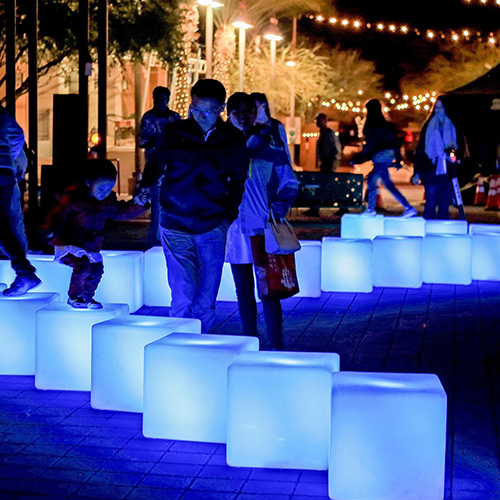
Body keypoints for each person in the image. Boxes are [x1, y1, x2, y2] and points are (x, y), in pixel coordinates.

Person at [139, 79, 249, 331]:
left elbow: (238, 180)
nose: (199, 115)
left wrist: (227, 216)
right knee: (182, 291)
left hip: (213, 223)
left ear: (221, 108)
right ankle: (178, 344)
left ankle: (201, 343)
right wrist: (145, 186)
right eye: (194, 109)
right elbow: (155, 164)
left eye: (206, 111)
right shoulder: (175, 132)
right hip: (175, 221)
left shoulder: (232, 139)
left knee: (206, 296)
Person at [225, 92, 298, 350]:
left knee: (270, 291)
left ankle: (277, 345)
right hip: (233, 229)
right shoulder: (221, 144)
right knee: (243, 292)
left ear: (256, 113)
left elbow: (289, 180)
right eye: (237, 112)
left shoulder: (271, 145)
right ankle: (249, 343)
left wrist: (281, 204)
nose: (244, 117)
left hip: (262, 226)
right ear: (228, 113)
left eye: (249, 111)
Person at [41, 159, 148, 309]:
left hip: (91, 246)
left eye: (109, 189)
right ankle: (74, 296)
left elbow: (120, 212)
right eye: (101, 189)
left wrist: (139, 205)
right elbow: (56, 218)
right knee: (83, 265)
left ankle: (88, 297)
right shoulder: (72, 200)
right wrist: (50, 234)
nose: (105, 193)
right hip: (70, 245)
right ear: (88, 182)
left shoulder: (107, 202)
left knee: (96, 269)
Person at [0, 106, 41, 296]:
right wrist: (8, 159)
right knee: (4, 224)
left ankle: (24, 271)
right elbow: (17, 135)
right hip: (5, 172)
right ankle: (24, 271)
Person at [352, 99, 417, 217]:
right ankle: (406, 208)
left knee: (377, 181)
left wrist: (358, 157)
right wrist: (397, 159)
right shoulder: (386, 125)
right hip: (388, 154)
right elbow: (395, 142)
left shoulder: (371, 124)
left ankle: (373, 209)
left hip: (379, 155)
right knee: (379, 182)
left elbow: (371, 144)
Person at [139, 86, 181, 246]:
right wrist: (157, 141)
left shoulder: (174, 118)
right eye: (158, 99)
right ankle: (154, 238)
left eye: (163, 99)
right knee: (156, 205)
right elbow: (142, 141)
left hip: (172, 168)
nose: (161, 103)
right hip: (155, 167)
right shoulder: (148, 118)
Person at [412, 97, 459, 220]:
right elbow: (421, 150)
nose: (438, 111)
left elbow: (460, 148)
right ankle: (428, 233)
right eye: (436, 107)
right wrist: (417, 172)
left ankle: (441, 233)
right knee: (430, 204)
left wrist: (453, 155)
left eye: (441, 108)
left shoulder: (453, 126)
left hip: (447, 170)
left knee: (444, 205)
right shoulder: (429, 126)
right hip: (430, 169)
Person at [251, 92, 292, 166]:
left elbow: (286, 152)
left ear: (263, 106)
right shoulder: (249, 126)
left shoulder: (277, 126)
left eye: (255, 107)